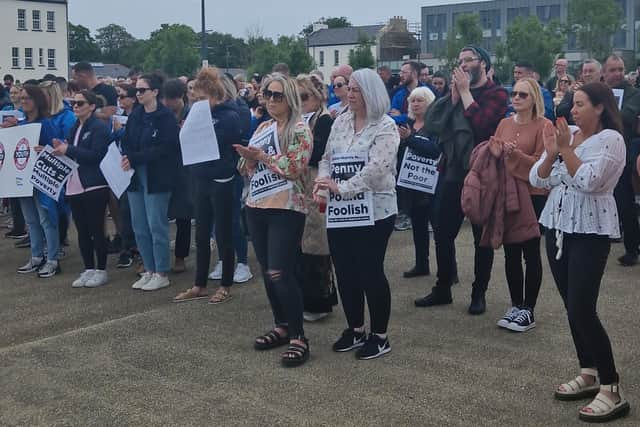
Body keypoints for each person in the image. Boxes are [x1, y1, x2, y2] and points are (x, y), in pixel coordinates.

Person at [530, 82, 630, 423]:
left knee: (583, 308)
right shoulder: (569, 134)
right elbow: (539, 180)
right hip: (557, 226)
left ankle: (612, 387)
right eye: (573, 104)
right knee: (571, 308)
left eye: (581, 104)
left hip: (590, 232)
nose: (573, 109)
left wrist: (564, 151)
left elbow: (589, 181)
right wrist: (549, 153)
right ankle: (588, 372)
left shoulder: (611, 141)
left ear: (600, 107)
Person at [414, 45, 509, 315]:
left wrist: (466, 93)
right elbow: (433, 124)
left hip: (482, 173)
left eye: (469, 60)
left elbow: (483, 126)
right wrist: (453, 98)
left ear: (483, 63)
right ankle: (443, 288)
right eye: (460, 60)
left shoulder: (497, 94)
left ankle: (479, 294)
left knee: (482, 238)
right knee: (443, 233)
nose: (464, 64)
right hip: (453, 173)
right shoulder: (456, 92)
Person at [315, 68, 399, 360]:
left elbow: (377, 169)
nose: (348, 94)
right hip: (342, 212)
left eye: (354, 89)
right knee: (345, 271)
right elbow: (326, 158)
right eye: (347, 89)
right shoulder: (340, 121)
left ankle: (380, 335)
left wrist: (342, 188)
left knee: (370, 271)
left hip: (376, 211)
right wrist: (324, 183)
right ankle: (355, 328)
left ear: (370, 92)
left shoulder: (385, 127)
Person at [236, 73, 313, 367]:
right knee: (268, 270)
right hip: (257, 204)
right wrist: (249, 157)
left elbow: (295, 167)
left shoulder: (300, 130)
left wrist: (264, 158)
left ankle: (298, 336)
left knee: (281, 271)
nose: (270, 100)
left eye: (277, 95)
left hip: (286, 207)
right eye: (267, 94)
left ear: (290, 98)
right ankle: (281, 325)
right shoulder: (264, 126)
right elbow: (244, 167)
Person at [487, 78, 550, 332]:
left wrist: (515, 154)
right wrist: (495, 151)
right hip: (506, 191)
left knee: (531, 251)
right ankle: (516, 304)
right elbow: (496, 156)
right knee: (511, 251)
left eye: (522, 95)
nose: (516, 98)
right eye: (513, 93)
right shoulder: (503, 122)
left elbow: (541, 163)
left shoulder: (543, 125)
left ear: (534, 98)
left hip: (532, 192)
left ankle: (529, 309)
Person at [173, 67, 241, 304]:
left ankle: (225, 284)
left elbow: (227, 143)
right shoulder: (196, 113)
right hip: (201, 178)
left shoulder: (229, 115)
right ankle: (199, 284)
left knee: (223, 234)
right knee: (201, 234)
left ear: (216, 97)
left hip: (221, 179)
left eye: (203, 99)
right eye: (196, 99)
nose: (198, 104)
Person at [121, 72, 180, 292]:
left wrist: (135, 157)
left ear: (155, 92)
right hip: (136, 174)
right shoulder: (136, 115)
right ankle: (149, 268)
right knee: (139, 224)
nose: (138, 94)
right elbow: (127, 140)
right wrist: (128, 156)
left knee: (156, 224)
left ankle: (161, 271)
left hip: (157, 175)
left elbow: (166, 147)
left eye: (142, 90)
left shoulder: (165, 117)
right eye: (136, 90)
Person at [52, 90, 111, 288]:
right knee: (82, 230)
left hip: (94, 184)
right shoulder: (76, 126)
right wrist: (60, 149)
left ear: (92, 106)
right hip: (75, 184)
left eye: (80, 103)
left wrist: (68, 149)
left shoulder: (99, 128)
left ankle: (101, 269)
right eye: (74, 103)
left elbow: (96, 155)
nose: (75, 106)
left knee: (96, 229)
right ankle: (88, 268)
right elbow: (73, 152)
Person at [295, 74, 337, 322]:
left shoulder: (323, 121)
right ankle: (304, 297)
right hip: (300, 185)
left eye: (304, 97)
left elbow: (319, 153)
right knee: (301, 242)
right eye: (297, 97)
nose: (300, 102)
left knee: (316, 243)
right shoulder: (298, 120)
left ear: (317, 96)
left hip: (315, 184)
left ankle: (319, 301)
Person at [16, 85, 62, 278]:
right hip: (24, 179)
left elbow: (56, 150)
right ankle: (36, 256)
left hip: (41, 179)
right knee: (31, 220)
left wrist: (45, 149)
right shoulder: (20, 125)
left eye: (27, 98)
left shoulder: (46, 124)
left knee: (46, 219)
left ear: (37, 100)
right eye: (22, 98)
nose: (23, 101)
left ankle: (52, 258)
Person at [600, 54, 640, 267]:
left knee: (625, 202)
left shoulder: (634, 93)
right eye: (612, 70)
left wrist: (600, 109)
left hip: (621, 153)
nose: (617, 74)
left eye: (620, 69)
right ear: (604, 73)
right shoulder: (597, 92)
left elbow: (626, 117)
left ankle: (633, 248)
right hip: (598, 152)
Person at [398, 87, 440, 278]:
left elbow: (435, 150)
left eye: (419, 100)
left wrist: (410, 139)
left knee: (440, 230)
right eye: (412, 100)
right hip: (412, 184)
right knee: (418, 227)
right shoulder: (406, 124)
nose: (415, 104)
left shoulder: (436, 125)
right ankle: (421, 264)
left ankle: (449, 269)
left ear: (429, 102)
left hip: (433, 185)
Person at [162, 78, 193, 274]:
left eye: (171, 99)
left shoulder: (191, 114)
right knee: (161, 213)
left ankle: (180, 256)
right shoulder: (163, 114)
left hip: (185, 169)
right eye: (165, 98)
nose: (167, 103)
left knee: (183, 214)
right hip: (165, 167)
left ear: (181, 97)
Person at [556, 59, 602, 124]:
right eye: (585, 71)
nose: (587, 74)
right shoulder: (575, 91)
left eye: (591, 71)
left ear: (600, 73)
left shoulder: (606, 91)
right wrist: (574, 96)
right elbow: (560, 112)